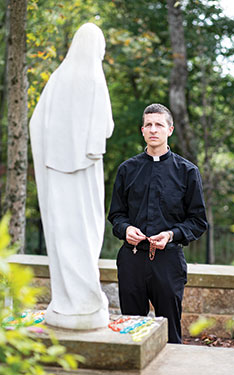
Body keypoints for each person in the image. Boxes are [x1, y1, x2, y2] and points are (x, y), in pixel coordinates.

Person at [30, 23, 114, 329]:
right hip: (85, 176)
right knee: (86, 237)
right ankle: (87, 304)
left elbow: (36, 125)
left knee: (63, 236)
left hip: (57, 177)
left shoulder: (56, 79)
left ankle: (66, 303)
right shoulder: (94, 77)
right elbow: (106, 129)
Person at [108, 103, 207, 343]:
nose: (154, 129)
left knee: (170, 332)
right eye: (149, 125)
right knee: (131, 331)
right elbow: (116, 215)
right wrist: (126, 229)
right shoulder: (126, 170)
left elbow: (198, 221)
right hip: (131, 260)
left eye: (159, 125)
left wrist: (172, 234)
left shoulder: (187, 172)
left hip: (168, 261)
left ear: (169, 130)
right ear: (142, 130)